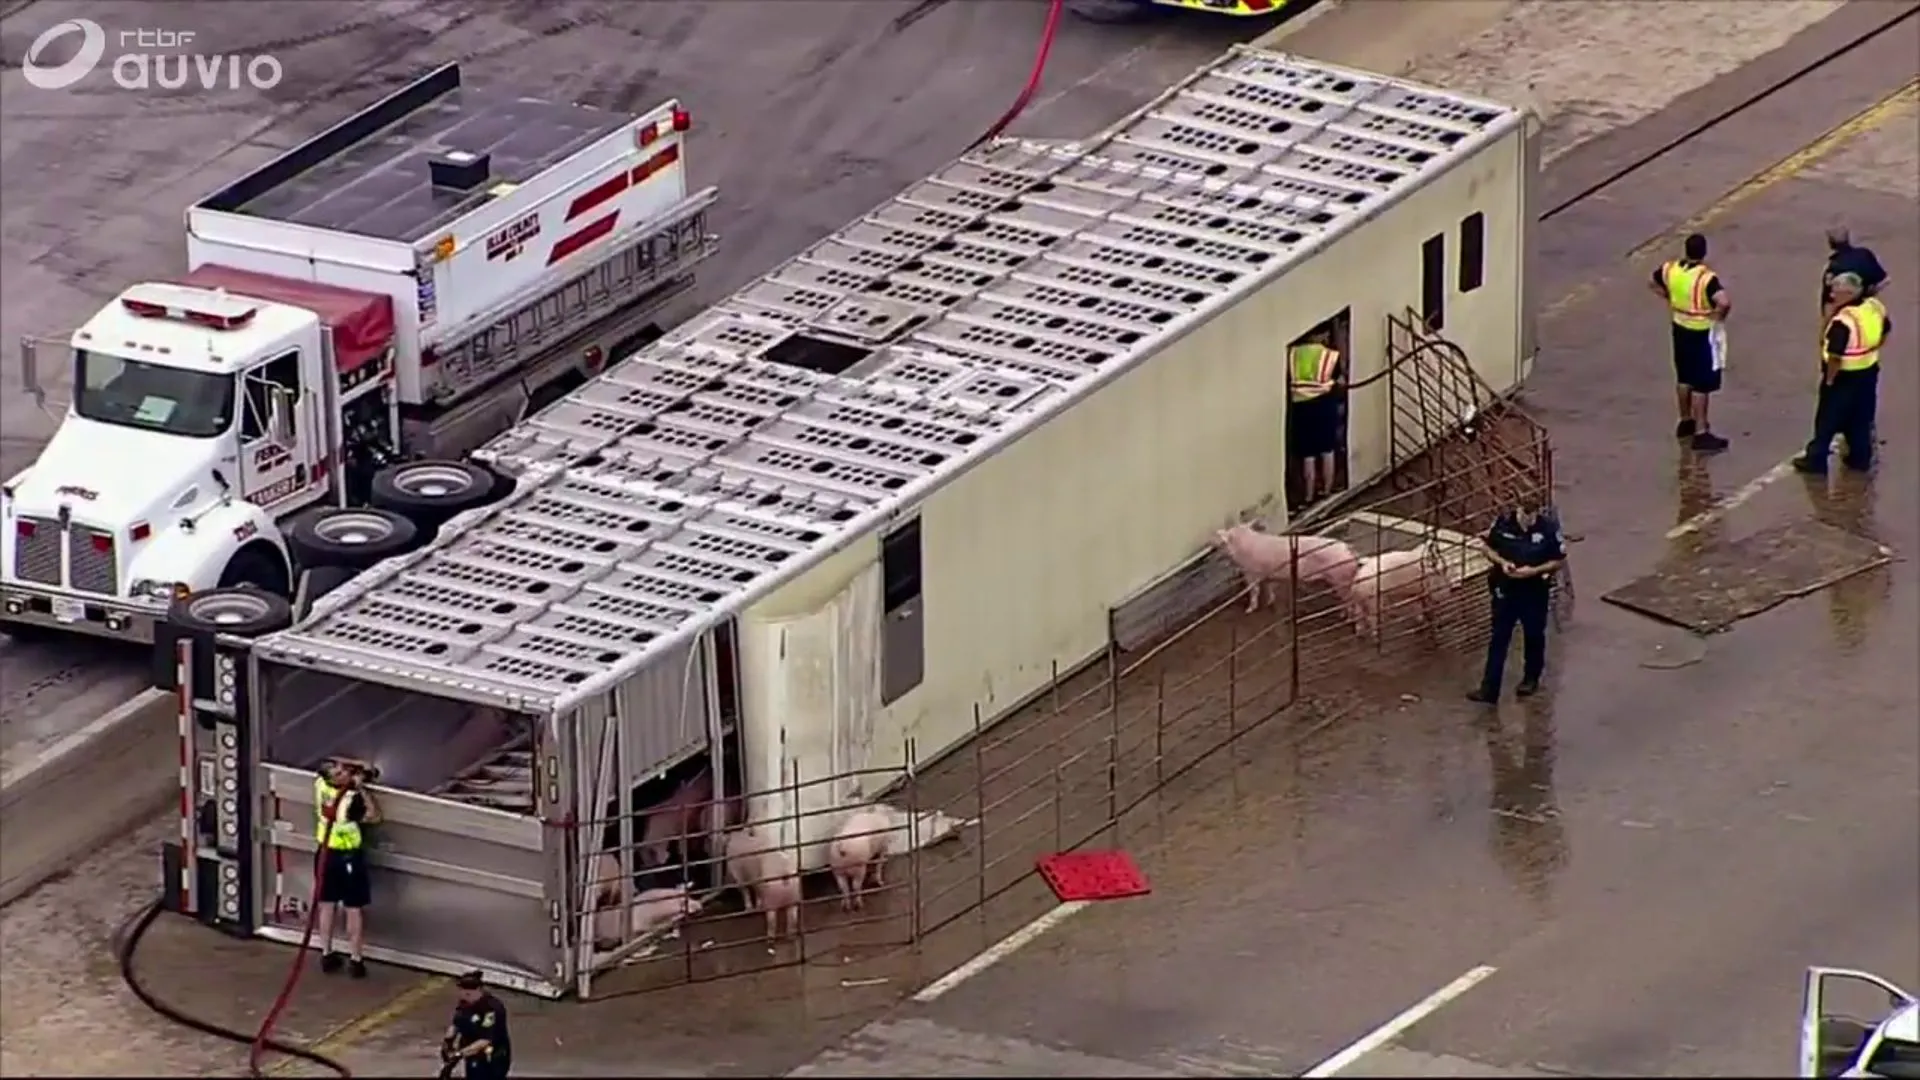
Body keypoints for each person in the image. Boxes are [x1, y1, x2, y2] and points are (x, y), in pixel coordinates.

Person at [1469, 500, 1565, 703]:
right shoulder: (1504, 524)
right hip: (1506, 589)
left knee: (1534, 635)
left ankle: (1531, 678)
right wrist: (1503, 563)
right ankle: (1489, 689)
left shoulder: (1547, 529)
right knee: (1499, 638)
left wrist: (1534, 570)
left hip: (1534, 591)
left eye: (1532, 516)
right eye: (1524, 515)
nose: (1527, 520)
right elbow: (1488, 548)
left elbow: (1557, 560)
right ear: (1518, 510)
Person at [1795, 272, 1888, 476]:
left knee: (1827, 420)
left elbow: (1835, 356)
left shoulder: (1843, 321)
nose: (1831, 296)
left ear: (1848, 294)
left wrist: (1829, 380)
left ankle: (1816, 460)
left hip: (1843, 377)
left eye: (1835, 292)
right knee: (1861, 418)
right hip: (1868, 372)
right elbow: (1885, 330)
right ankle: (1860, 459)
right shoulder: (1874, 307)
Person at [1648, 233, 1731, 451]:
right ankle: (1701, 432)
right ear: (1704, 252)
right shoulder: (1706, 278)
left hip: (1680, 326)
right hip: (1701, 331)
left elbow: (1653, 282)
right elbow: (1723, 302)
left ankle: (1685, 421)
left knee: (1684, 378)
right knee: (1701, 384)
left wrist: (1669, 298)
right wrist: (1718, 315)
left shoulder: (1671, 269)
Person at [314, 757, 380, 978]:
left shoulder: (320, 785)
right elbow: (374, 816)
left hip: (325, 853)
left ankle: (326, 953)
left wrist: (355, 765)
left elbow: (331, 762)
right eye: (340, 773)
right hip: (348, 857)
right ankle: (356, 959)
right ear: (334, 780)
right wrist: (361, 789)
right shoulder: (350, 802)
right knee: (353, 908)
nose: (345, 773)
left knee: (327, 904)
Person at [1287, 328, 1344, 506]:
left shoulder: (1294, 354)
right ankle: (1326, 491)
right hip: (1324, 406)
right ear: (1322, 336)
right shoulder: (1329, 355)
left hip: (1301, 407)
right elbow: (1339, 379)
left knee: (1308, 454)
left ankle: (1308, 496)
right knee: (1327, 450)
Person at [442, 971, 513, 1079]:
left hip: (491, 1058)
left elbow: (485, 1040)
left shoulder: (491, 1009)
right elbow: (458, 1021)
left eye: (468, 994)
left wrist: (459, 1055)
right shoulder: (465, 1003)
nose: (464, 997)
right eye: (462, 993)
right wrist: (448, 1041)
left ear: (478, 990)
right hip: (471, 1054)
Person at [1821, 226, 1887, 322]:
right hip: (1867, 308)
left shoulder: (1833, 267)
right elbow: (1884, 281)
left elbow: (1827, 300)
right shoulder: (1864, 254)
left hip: (1846, 314)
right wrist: (1869, 294)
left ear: (1831, 244)